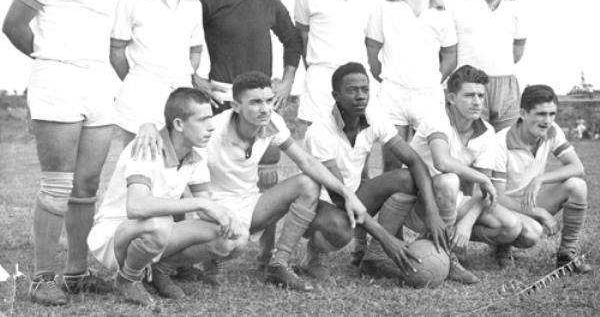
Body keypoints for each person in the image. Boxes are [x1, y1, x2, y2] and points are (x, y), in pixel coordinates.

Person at [134, 71, 368, 292]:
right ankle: (171, 266)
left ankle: (279, 263)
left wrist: (347, 193)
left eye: (268, 100)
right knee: (233, 241)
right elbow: (179, 167)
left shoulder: (272, 122)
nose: (265, 108)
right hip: (212, 208)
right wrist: (147, 125)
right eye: (255, 102)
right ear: (236, 106)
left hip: (251, 204)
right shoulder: (211, 131)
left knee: (308, 183)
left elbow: (306, 160)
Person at [2, 0, 115, 305]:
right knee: (57, 185)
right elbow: (13, 24)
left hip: (98, 82)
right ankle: (41, 278)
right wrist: (50, 57)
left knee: (87, 184)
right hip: (58, 81)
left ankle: (76, 273)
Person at [198, 0, 303, 267]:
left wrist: (286, 82)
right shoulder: (207, 2)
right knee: (209, 177)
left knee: (266, 171)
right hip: (221, 99)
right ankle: (206, 251)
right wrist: (195, 80)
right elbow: (179, 40)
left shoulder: (269, 0)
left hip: (261, 104)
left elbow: (293, 40)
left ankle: (267, 253)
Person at [87, 88, 245, 307]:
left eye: (211, 118)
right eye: (203, 120)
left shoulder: (196, 155)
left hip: (156, 232)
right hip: (115, 236)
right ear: (179, 124)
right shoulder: (146, 146)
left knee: (235, 237)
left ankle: (161, 270)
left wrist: (227, 216)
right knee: (159, 223)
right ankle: (127, 279)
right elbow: (136, 207)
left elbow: (204, 208)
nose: (211, 126)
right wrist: (202, 203)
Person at [301, 62, 448, 280]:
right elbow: (339, 196)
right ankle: (314, 253)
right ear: (336, 95)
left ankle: (373, 259)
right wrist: (385, 238)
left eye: (364, 89)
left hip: (353, 196)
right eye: (352, 90)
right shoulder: (319, 131)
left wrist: (432, 212)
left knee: (407, 178)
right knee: (342, 229)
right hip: (321, 204)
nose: (360, 96)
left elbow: (414, 161)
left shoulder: (374, 119)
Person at [406, 65, 523, 283]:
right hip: (417, 204)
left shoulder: (486, 131)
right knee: (449, 180)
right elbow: (442, 161)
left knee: (511, 226)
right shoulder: (437, 117)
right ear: (451, 98)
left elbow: (483, 193)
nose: (477, 101)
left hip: (451, 204)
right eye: (469, 95)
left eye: (480, 95)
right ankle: (449, 256)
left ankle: (443, 241)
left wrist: (466, 223)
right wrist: (481, 177)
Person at [110, 0, 205, 146]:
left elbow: (195, 53)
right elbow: (116, 53)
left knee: (179, 170)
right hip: (141, 98)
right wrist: (140, 81)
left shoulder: (193, 4)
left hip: (180, 99)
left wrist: (179, 82)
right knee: (140, 167)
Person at [366, 0, 457, 169]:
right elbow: (372, 52)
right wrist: (389, 78)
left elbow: (450, 55)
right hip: (393, 94)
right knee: (392, 165)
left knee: (428, 165)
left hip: (428, 95)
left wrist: (433, 80)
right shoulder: (384, 7)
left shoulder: (441, 10)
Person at [494, 84, 592, 273]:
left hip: (528, 201)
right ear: (523, 113)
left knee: (577, 186)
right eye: (541, 114)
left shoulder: (552, 130)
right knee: (531, 234)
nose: (547, 121)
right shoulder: (500, 142)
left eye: (552, 114)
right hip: (503, 208)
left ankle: (566, 255)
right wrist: (539, 212)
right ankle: (502, 245)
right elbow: (497, 197)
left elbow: (577, 167)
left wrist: (540, 179)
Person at [294, 0, 376, 124]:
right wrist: (318, 70)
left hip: (357, 80)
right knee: (317, 150)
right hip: (321, 82)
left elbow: (370, 43)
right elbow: (302, 38)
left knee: (357, 148)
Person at [453, 0, 527, 132]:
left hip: (507, 87)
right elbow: (446, 51)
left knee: (508, 153)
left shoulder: (516, 4)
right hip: (470, 85)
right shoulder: (456, 3)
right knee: (471, 151)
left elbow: (517, 51)